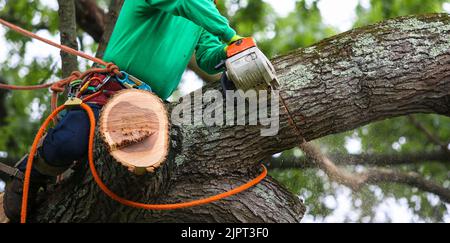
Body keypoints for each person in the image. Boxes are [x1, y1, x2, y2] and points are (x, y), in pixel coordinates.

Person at [3, 0, 243, 222]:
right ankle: (31, 174)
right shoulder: (193, 5)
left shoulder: (205, 11)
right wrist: (232, 36)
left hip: (150, 106)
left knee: (148, 173)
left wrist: (230, 52)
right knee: (71, 141)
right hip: (109, 90)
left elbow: (207, 56)